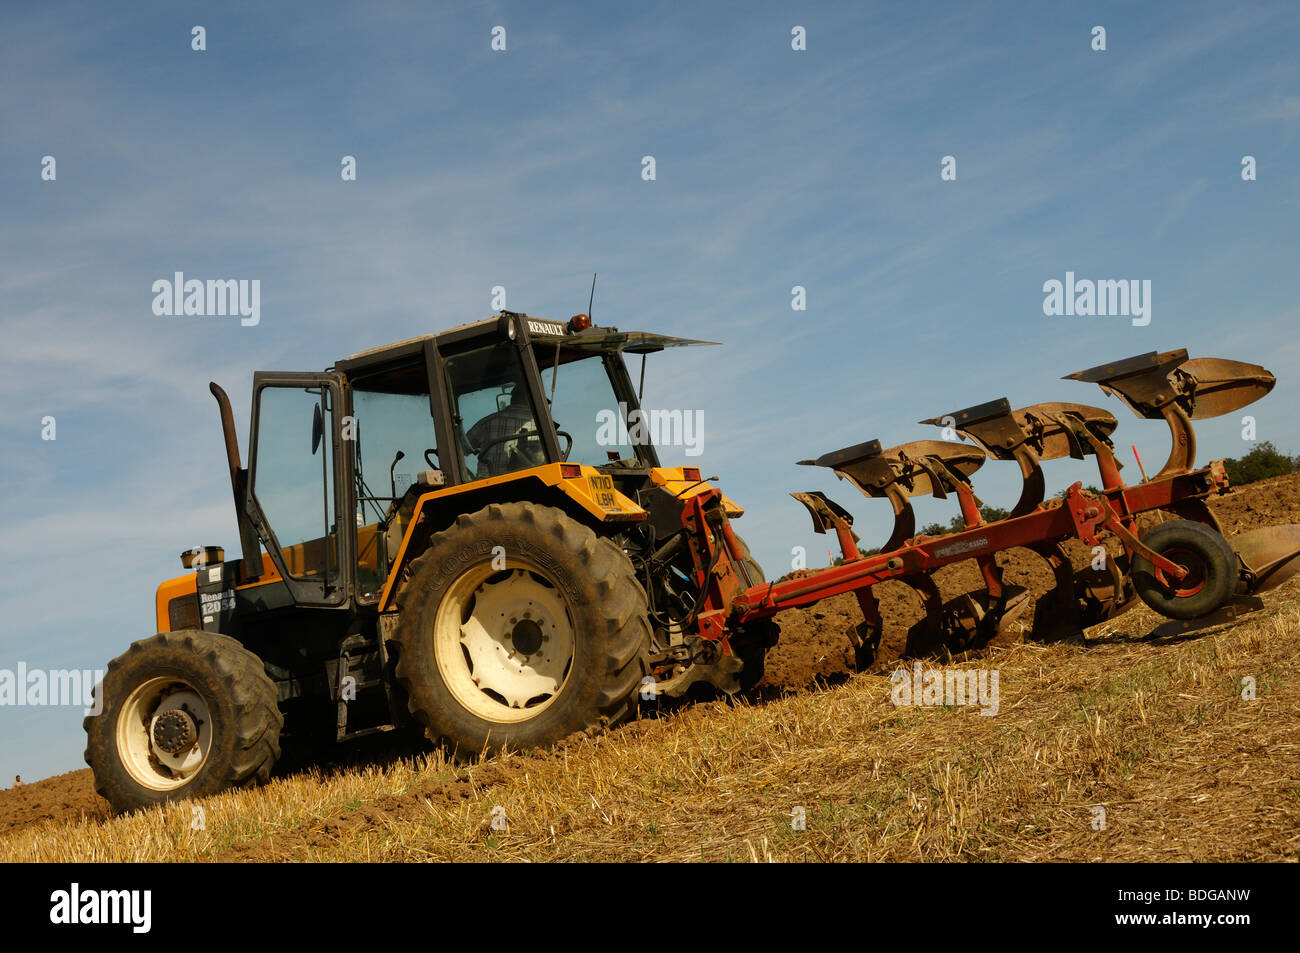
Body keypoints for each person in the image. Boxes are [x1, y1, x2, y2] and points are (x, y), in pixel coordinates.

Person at [466, 385, 544, 477]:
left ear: (512, 399)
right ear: (527, 399)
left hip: (491, 484)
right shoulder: (542, 425)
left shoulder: (488, 422)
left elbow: (463, 447)